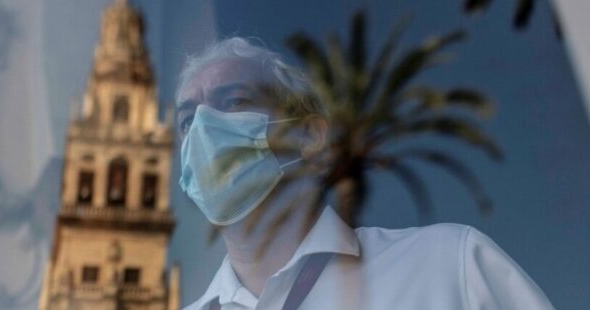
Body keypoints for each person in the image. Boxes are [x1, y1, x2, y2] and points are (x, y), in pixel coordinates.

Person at [175, 37, 554, 310]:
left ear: (309, 135)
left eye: (235, 101)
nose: (203, 130)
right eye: (188, 120)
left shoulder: (450, 266)